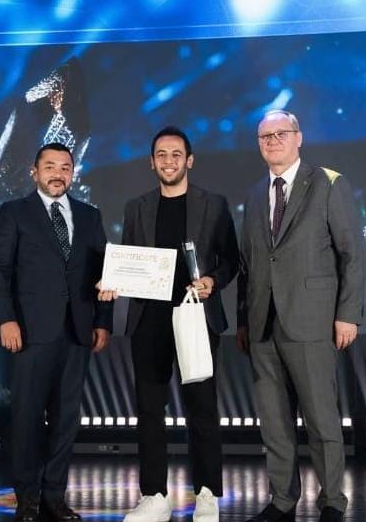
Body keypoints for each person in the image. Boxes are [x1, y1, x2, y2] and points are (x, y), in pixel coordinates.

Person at [101, 127, 239, 522]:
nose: (169, 161)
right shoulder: (137, 207)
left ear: (189, 160)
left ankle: (207, 494)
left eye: (176, 154)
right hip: (149, 319)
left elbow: (231, 259)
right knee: (149, 410)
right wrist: (113, 281)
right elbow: (128, 260)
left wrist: (213, 280)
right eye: (161, 154)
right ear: (152, 162)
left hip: (196, 315)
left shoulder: (214, 204)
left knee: (202, 409)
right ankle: (154, 496)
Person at [236, 110, 366, 522]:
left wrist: (348, 314)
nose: (272, 141)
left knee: (321, 420)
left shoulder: (328, 183)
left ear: (299, 138)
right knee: (274, 423)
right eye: (265, 136)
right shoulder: (255, 194)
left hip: (312, 321)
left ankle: (332, 501)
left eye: (281, 133)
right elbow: (249, 263)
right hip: (263, 325)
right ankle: (282, 500)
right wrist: (244, 320)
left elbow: (352, 254)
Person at [0, 142, 112, 522]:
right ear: (35, 172)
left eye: (65, 167)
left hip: (77, 332)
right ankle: (27, 498)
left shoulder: (90, 215)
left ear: (73, 173)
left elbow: (106, 272)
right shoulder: (14, 212)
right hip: (29, 331)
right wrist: (6, 319)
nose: (58, 173)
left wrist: (103, 321)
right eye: (50, 166)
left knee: (65, 420)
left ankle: (55, 496)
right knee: (26, 419)